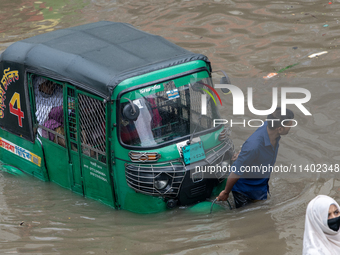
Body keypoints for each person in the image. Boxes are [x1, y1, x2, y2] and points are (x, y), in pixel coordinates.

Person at [217, 107, 294, 208]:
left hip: (260, 184)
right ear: (279, 129)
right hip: (244, 189)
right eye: (289, 125)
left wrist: (243, 152)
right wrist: (226, 192)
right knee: (247, 218)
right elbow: (236, 171)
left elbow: (251, 142)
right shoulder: (254, 146)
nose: (291, 126)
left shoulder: (269, 128)